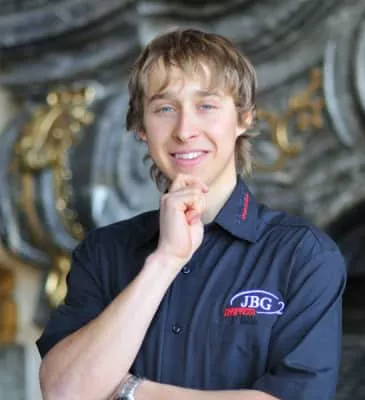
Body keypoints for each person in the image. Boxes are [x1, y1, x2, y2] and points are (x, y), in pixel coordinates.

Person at [37, 28, 346, 400]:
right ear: (141, 127)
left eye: (206, 106)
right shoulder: (103, 252)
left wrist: (130, 389)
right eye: (165, 109)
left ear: (244, 118)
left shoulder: (304, 255)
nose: (184, 131)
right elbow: (65, 392)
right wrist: (165, 260)